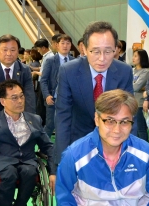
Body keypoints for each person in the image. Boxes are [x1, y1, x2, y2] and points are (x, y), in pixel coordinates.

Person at [54, 21, 134, 167]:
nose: (102, 58)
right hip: (78, 143)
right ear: (84, 49)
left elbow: (127, 116)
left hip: (113, 145)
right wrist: (60, 162)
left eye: (108, 51)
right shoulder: (68, 71)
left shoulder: (124, 72)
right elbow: (63, 117)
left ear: (116, 49)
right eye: (95, 51)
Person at [0, 34, 35, 121]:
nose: (9, 54)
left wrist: (28, 122)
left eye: (13, 50)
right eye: (5, 50)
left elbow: (29, 99)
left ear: (17, 51)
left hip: (19, 118)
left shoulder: (25, 70)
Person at [40, 34, 74, 138]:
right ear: (57, 45)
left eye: (68, 43)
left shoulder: (74, 61)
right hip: (53, 98)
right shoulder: (50, 61)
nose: (65, 45)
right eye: (62, 43)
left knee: (68, 125)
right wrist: (47, 95)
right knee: (50, 125)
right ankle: (43, 148)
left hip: (69, 99)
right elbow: (43, 80)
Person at [132, 49, 149, 142]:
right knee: (133, 129)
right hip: (131, 103)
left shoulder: (145, 72)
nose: (133, 58)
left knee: (141, 129)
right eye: (133, 56)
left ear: (141, 58)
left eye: (135, 56)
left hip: (140, 103)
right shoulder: (132, 70)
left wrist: (139, 87)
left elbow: (135, 87)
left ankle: (144, 150)